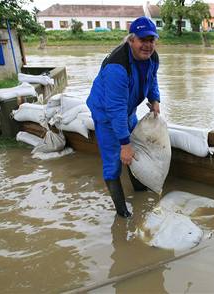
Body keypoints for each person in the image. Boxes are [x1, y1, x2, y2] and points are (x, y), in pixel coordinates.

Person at [86, 16, 161, 218]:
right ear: (131, 40)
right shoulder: (116, 67)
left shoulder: (152, 57)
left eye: (151, 40)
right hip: (106, 113)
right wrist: (124, 144)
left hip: (127, 110)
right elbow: (115, 109)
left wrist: (155, 99)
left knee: (135, 151)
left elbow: (152, 79)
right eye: (142, 40)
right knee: (114, 161)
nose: (147, 45)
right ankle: (123, 214)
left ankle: (140, 193)